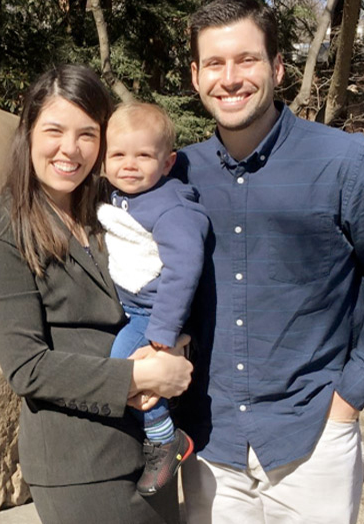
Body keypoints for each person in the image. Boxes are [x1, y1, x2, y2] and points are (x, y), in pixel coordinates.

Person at [173, 0, 364, 524]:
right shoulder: (177, 176)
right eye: (215, 64)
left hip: (312, 436)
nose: (231, 78)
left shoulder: (345, 163)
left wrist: (350, 398)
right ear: (196, 76)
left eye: (247, 60)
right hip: (210, 442)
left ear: (277, 66)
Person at [0, 65, 193, 524]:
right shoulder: (0, 223)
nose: (69, 149)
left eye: (87, 134)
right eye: (54, 130)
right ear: (28, 132)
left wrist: (174, 343)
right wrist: (141, 379)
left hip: (151, 450)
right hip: (81, 463)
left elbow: (155, 291)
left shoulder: (110, 214)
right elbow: (26, 367)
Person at [98, 102, 212, 496]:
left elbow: (184, 268)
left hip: (153, 314)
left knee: (122, 369)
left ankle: (165, 438)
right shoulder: (123, 195)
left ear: (167, 163)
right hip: (135, 309)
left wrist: (163, 333)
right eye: (118, 155)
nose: (129, 165)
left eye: (143, 155)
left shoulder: (172, 207)